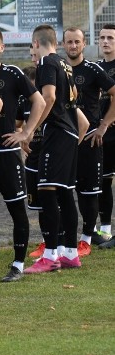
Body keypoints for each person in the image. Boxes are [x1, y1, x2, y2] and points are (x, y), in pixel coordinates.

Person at [0, 27, 45, 282]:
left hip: (7, 153)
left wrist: (26, 132)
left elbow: (40, 102)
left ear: (2, 47)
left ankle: (17, 265)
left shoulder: (13, 73)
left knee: (17, 211)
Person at [25, 24, 85, 273]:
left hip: (58, 133)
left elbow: (48, 98)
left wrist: (29, 130)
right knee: (64, 193)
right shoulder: (65, 64)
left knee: (47, 190)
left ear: (36, 43)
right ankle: (70, 253)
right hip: (68, 133)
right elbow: (77, 110)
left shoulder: (47, 64)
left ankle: (50, 256)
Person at [61, 27, 115, 252]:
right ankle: (64, 237)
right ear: (63, 45)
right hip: (64, 141)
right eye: (69, 42)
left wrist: (103, 125)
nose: (73, 46)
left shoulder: (93, 69)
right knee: (63, 191)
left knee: (90, 192)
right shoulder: (57, 70)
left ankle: (86, 239)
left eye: (77, 42)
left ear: (84, 44)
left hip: (90, 141)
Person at [96, 24, 115, 248]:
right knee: (102, 182)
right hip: (101, 135)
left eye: (110, 37)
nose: (106, 41)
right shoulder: (96, 67)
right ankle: (105, 231)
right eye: (102, 38)